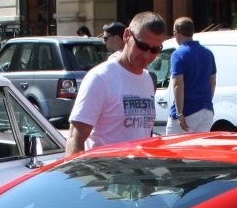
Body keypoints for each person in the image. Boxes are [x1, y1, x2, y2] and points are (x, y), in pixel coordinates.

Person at [65, 12, 165, 156]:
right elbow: (75, 138)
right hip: (104, 174)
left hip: (140, 174)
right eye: (142, 46)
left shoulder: (148, 79)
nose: (147, 55)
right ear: (127, 36)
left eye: (155, 50)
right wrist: (75, 177)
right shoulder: (100, 77)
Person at [166, 17, 216, 135]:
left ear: (177, 33)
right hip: (206, 110)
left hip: (188, 110)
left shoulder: (178, 54)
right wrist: (207, 101)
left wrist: (179, 113)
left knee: (172, 149)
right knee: (198, 151)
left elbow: (178, 84)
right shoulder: (208, 53)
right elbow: (212, 82)